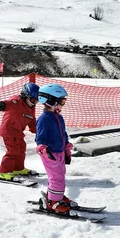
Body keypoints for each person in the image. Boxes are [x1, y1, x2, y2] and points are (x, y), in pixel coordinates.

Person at [35, 84, 73, 213]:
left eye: (64, 101)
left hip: (60, 151)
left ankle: (56, 195)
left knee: (60, 175)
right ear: (50, 101)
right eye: (61, 101)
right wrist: (44, 151)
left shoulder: (58, 117)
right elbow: (40, 139)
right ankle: (53, 202)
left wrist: (67, 149)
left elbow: (63, 134)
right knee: (56, 177)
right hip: (50, 153)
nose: (63, 104)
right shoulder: (44, 119)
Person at [0, 83, 40, 180]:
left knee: (21, 149)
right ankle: (4, 172)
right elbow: (10, 103)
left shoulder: (30, 108)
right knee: (13, 151)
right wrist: (3, 105)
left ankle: (18, 168)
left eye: (37, 101)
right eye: (33, 100)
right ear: (25, 95)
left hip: (18, 132)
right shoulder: (17, 101)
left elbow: (32, 121)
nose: (34, 103)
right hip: (9, 131)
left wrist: (39, 130)